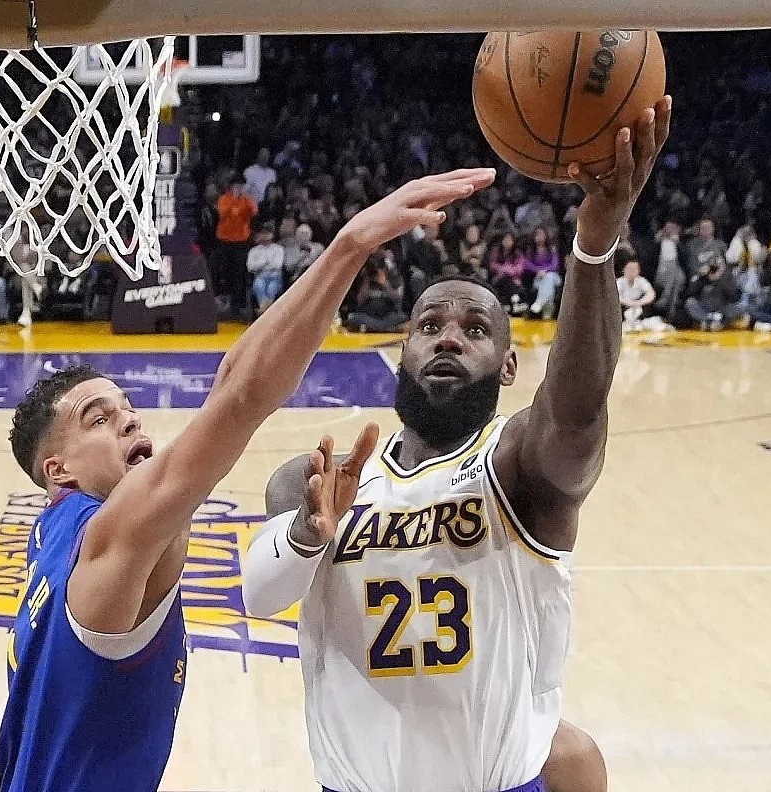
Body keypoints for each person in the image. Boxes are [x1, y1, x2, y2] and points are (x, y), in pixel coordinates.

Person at [0, 167, 495, 792]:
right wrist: (351, 246)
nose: (128, 423)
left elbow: (232, 376)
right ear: (57, 471)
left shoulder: (52, 533)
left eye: (127, 409)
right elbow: (240, 394)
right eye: (99, 419)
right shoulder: (110, 541)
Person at [242, 97, 671, 792]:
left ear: (508, 367)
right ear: (401, 351)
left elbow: (577, 411)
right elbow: (258, 597)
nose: (448, 335)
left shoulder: (522, 470)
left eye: (475, 330)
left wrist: (594, 245)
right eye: (429, 325)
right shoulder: (312, 480)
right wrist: (307, 531)